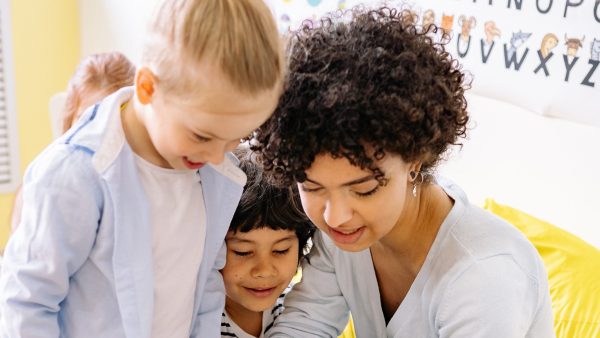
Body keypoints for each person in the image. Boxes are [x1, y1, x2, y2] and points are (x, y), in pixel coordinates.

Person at [251, 6, 555, 338]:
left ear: (415, 160)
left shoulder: (484, 275)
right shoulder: (344, 234)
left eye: (364, 189)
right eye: (312, 187)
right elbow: (302, 326)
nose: (335, 216)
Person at [0, 0, 283, 336]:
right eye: (202, 135)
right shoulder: (75, 175)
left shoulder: (208, 175)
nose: (216, 157)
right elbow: (26, 303)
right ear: (148, 87)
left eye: (232, 140)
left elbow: (205, 284)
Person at [8, 51, 136, 232]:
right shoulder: (44, 182)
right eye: (87, 119)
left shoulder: (143, 187)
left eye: (111, 119)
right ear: (70, 118)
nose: (98, 133)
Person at [220, 147, 315, 338]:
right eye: (243, 251)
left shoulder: (302, 312)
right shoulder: (198, 320)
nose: (264, 271)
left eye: (281, 250)